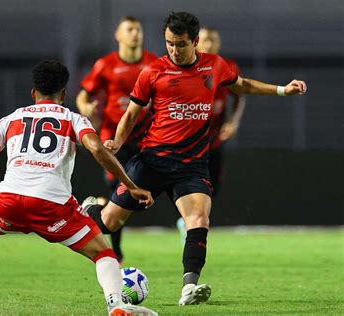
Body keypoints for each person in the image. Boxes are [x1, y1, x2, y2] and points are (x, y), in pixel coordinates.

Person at [85, 11, 307, 306]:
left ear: (196, 41)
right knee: (109, 223)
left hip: (191, 166)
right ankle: (89, 210)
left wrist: (282, 89)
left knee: (198, 218)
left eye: (180, 44)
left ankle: (189, 287)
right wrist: (117, 141)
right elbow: (130, 115)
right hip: (151, 161)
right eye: (169, 44)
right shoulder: (153, 71)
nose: (174, 50)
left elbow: (242, 85)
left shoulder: (214, 66)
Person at [0, 60, 157, 316]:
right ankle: (115, 304)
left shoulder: (12, 118)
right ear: (63, 94)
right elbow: (97, 150)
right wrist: (130, 185)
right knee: (103, 252)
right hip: (52, 204)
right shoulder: (73, 118)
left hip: (9, 199)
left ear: (33, 93)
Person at [76, 16, 157, 264]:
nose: (135, 34)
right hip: (112, 139)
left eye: (138, 29)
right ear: (118, 35)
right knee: (118, 191)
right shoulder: (106, 64)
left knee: (135, 195)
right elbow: (83, 96)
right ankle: (117, 252)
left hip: (144, 138)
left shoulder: (153, 63)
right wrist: (86, 109)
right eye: (130, 29)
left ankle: (96, 207)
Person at [176, 27, 246, 234]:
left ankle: (195, 220)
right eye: (205, 39)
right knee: (184, 182)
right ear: (196, 42)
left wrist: (233, 122)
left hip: (213, 139)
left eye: (213, 40)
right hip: (187, 140)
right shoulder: (186, 66)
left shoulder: (226, 67)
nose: (209, 44)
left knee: (213, 182)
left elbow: (240, 95)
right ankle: (190, 219)